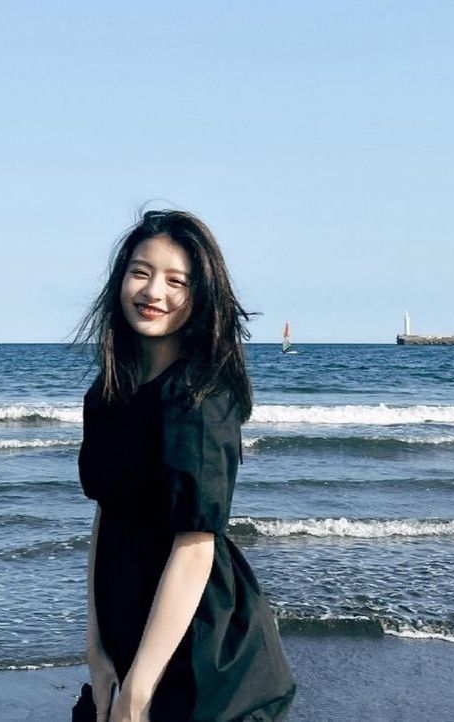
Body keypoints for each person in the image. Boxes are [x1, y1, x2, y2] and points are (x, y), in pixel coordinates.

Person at [73, 210, 296, 721]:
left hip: (199, 646)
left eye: (177, 281)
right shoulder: (110, 391)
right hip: (128, 627)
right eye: (140, 272)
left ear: (202, 296)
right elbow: (106, 514)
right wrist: (97, 649)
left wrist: (139, 690)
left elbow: (196, 546)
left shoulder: (201, 397)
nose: (154, 291)